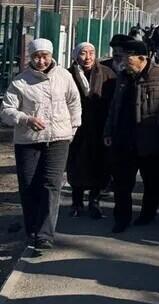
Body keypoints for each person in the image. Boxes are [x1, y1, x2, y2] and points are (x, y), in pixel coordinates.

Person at [1, 38, 81, 249]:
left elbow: (74, 102)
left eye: (45, 56)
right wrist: (25, 119)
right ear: (30, 57)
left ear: (51, 55)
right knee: (29, 186)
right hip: (28, 141)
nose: (41, 60)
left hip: (58, 139)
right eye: (37, 56)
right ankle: (32, 230)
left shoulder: (64, 76)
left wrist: (72, 129)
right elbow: (6, 111)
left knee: (51, 185)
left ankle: (45, 235)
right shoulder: (20, 81)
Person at [103, 39, 159, 233]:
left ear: (142, 58)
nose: (124, 62)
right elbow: (115, 106)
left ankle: (147, 214)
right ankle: (121, 218)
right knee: (122, 182)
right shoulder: (123, 76)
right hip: (124, 138)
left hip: (150, 139)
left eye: (128, 58)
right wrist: (109, 130)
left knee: (152, 181)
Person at [66, 42, 115, 219]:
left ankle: (94, 202)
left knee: (99, 165)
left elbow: (113, 103)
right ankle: (76, 202)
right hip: (76, 129)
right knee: (76, 165)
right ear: (75, 55)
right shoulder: (68, 75)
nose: (87, 57)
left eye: (91, 53)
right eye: (83, 53)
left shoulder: (107, 74)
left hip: (99, 128)